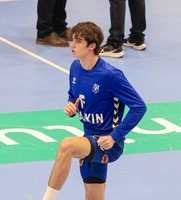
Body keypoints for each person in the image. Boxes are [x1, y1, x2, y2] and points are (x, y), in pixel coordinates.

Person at [41, 22, 147, 200]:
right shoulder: (75, 67)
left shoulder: (110, 75)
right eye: (72, 40)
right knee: (93, 197)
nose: (72, 45)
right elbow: (73, 95)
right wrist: (71, 106)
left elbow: (139, 107)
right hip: (89, 138)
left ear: (92, 46)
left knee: (67, 146)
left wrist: (114, 136)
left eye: (78, 41)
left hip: (108, 143)